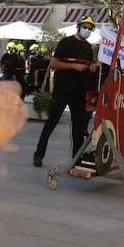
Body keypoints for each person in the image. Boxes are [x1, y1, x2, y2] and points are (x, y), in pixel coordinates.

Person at [32, 15, 99, 168]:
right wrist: (73, 67)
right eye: (85, 27)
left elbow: (88, 68)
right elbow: (54, 64)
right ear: (78, 26)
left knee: (78, 127)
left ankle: (76, 159)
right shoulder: (66, 42)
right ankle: (38, 155)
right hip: (62, 90)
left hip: (79, 92)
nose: (87, 30)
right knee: (51, 123)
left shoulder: (88, 47)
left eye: (90, 28)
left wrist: (93, 68)